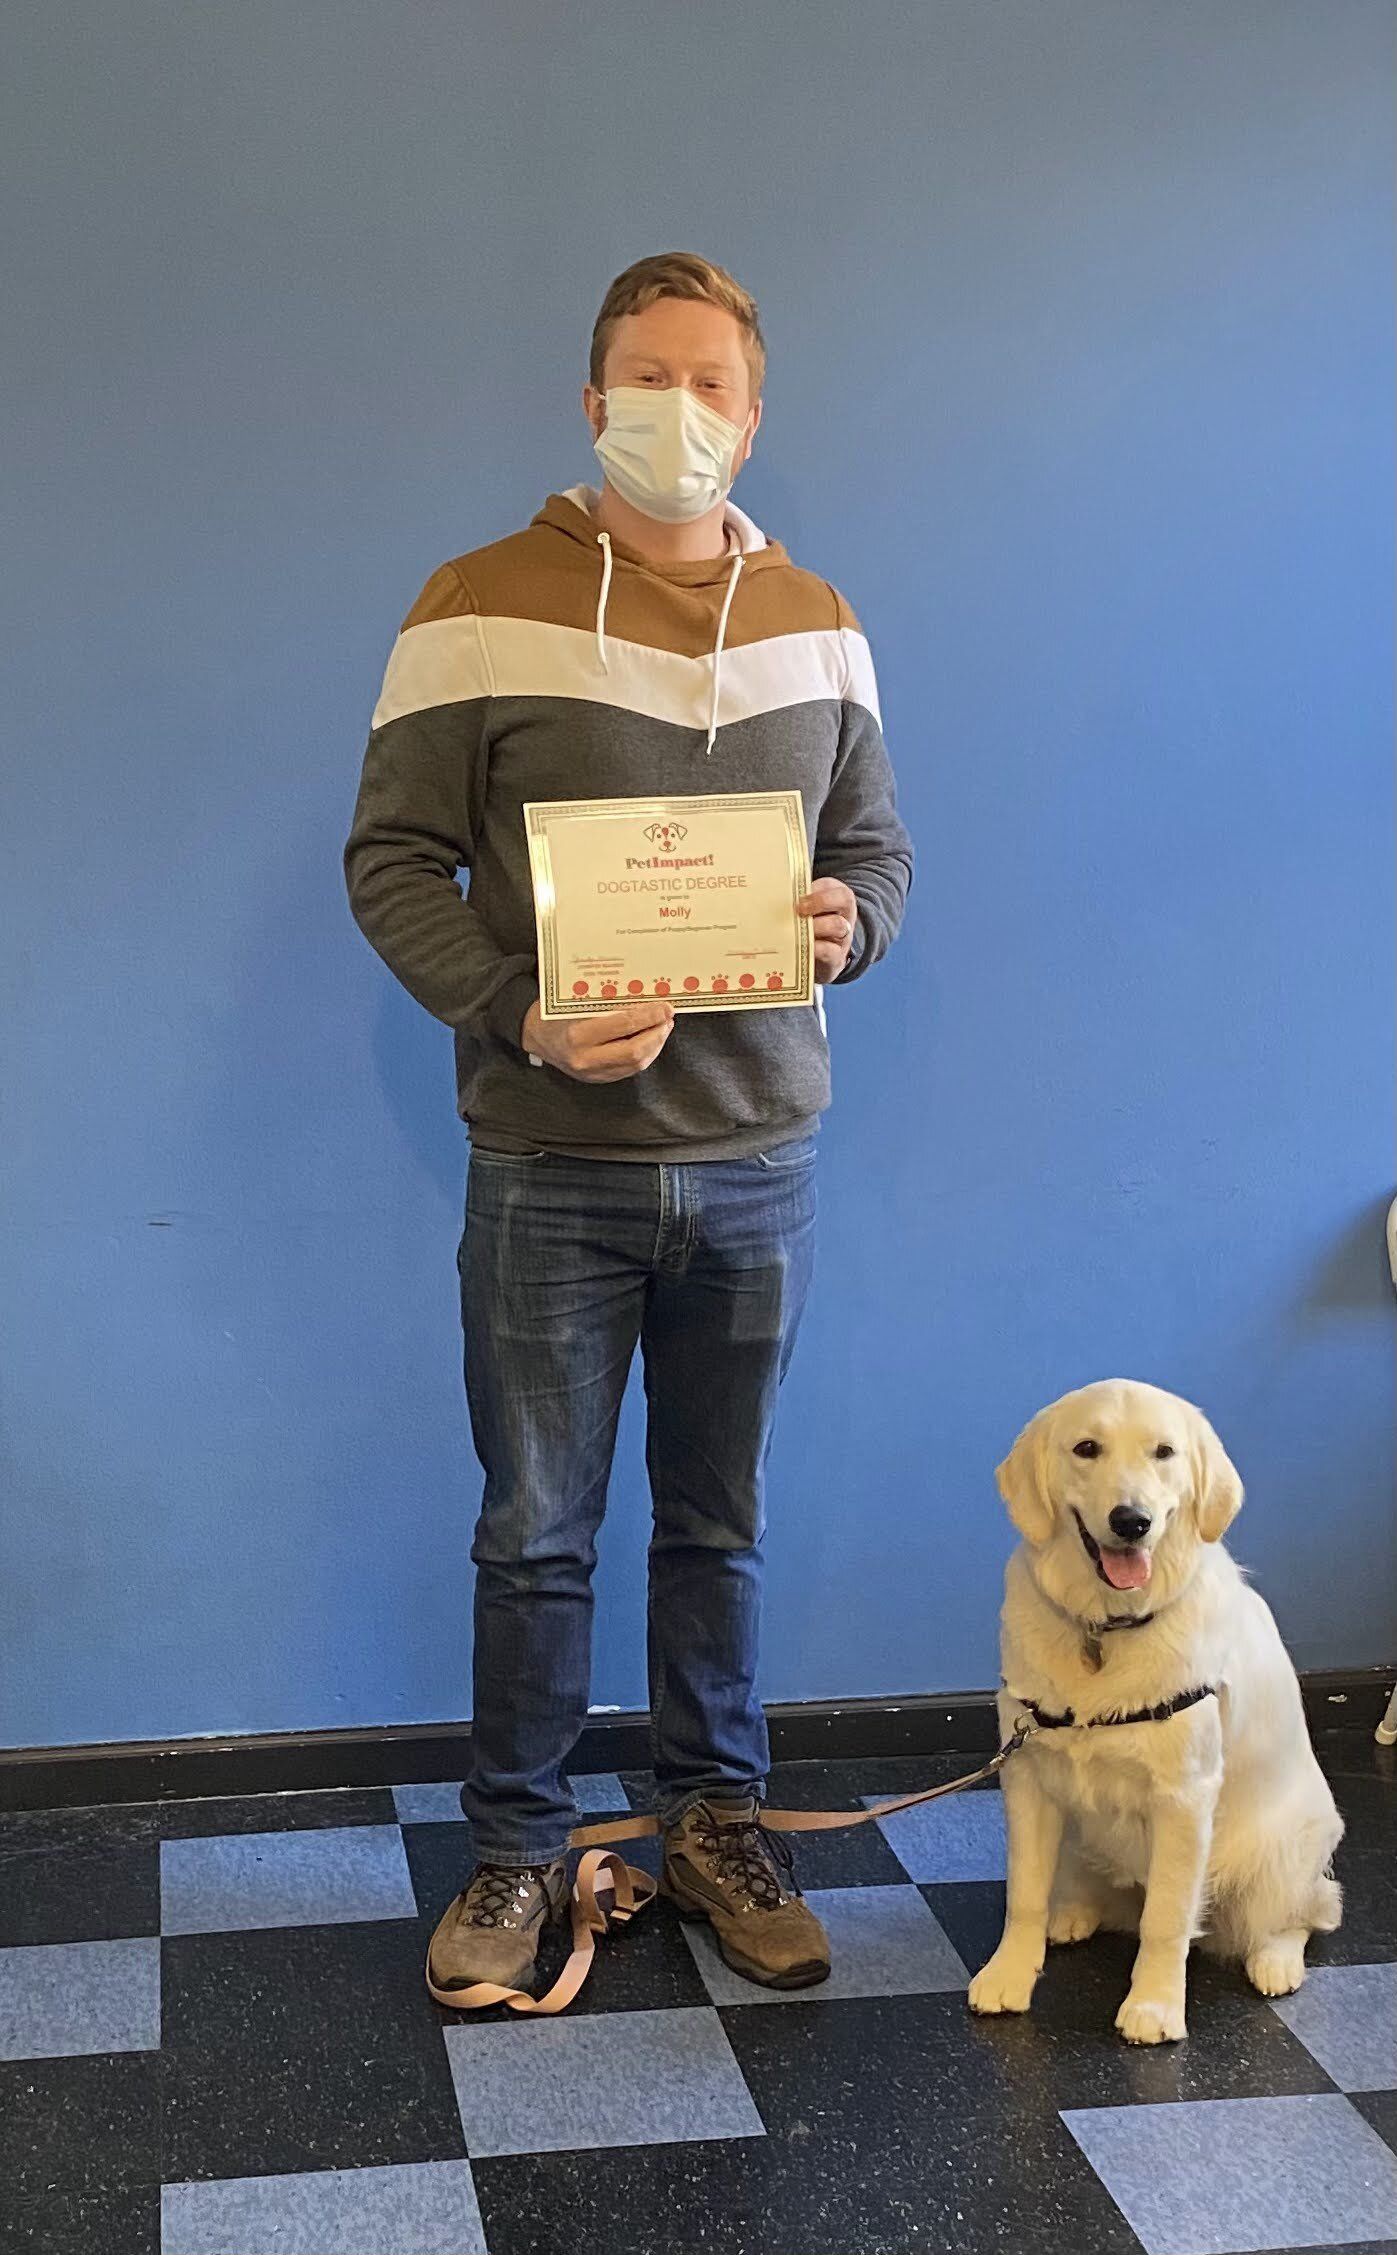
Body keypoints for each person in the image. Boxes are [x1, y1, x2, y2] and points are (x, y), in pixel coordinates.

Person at [344, 251, 913, 1997]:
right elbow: (391, 861)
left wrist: (851, 925)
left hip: (756, 1162)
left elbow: (875, 855)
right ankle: (517, 1853)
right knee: (533, 1535)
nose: (680, 409)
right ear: (594, 402)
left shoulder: (817, 615)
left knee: (715, 1528)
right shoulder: (475, 602)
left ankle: (714, 1824)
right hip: (546, 1168)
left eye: (710, 382)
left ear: (754, 410)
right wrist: (520, 1010)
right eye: (647, 378)